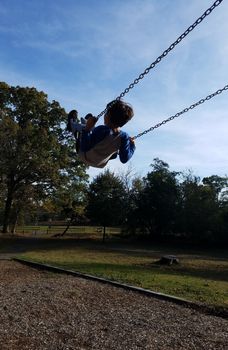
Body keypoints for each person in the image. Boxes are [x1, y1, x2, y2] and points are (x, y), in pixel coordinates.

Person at [67, 100, 136, 168]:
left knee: (86, 130)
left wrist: (87, 129)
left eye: (106, 113)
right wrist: (132, 146)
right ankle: (87, 122)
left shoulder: (102, 130)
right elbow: (124, 159)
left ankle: (73, 125)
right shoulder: (124, 137)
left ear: (108, 115)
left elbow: (85, 147)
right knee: (99, 135)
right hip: (99, 164)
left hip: (84, 155)